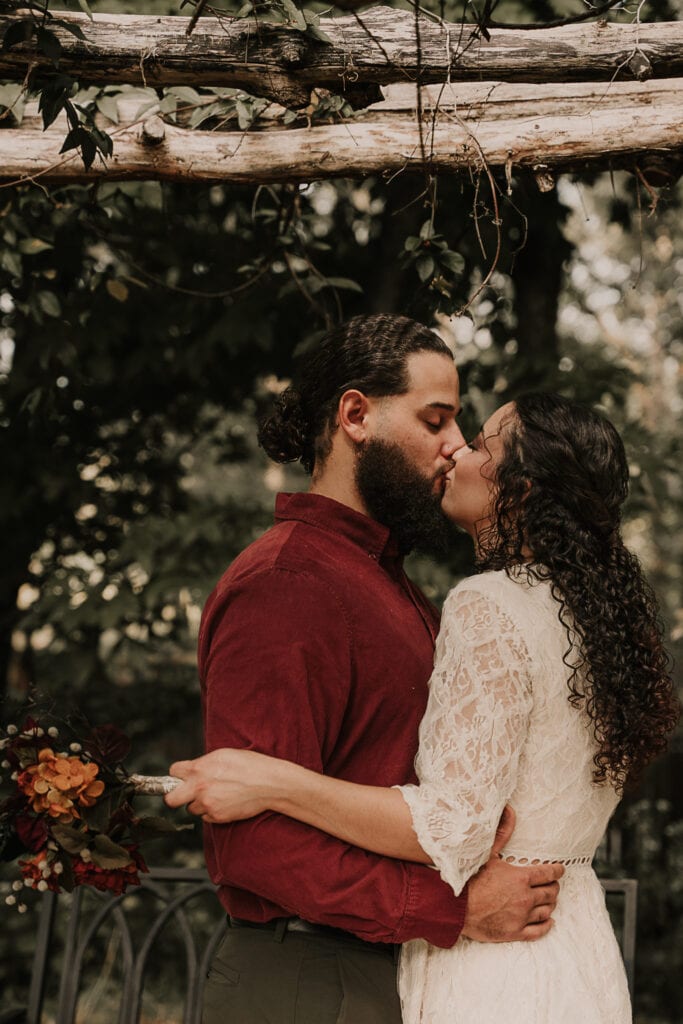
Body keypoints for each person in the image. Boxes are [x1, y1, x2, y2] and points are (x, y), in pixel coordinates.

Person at [169, 391, 679, 1023]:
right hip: (573, 949)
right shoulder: (598, 627)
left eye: (481, 443)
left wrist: (274, 780)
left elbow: (456, 829)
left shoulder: (489, 605)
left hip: (496, 966)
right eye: (441, 424)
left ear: (518, 491)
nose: (457, 449)